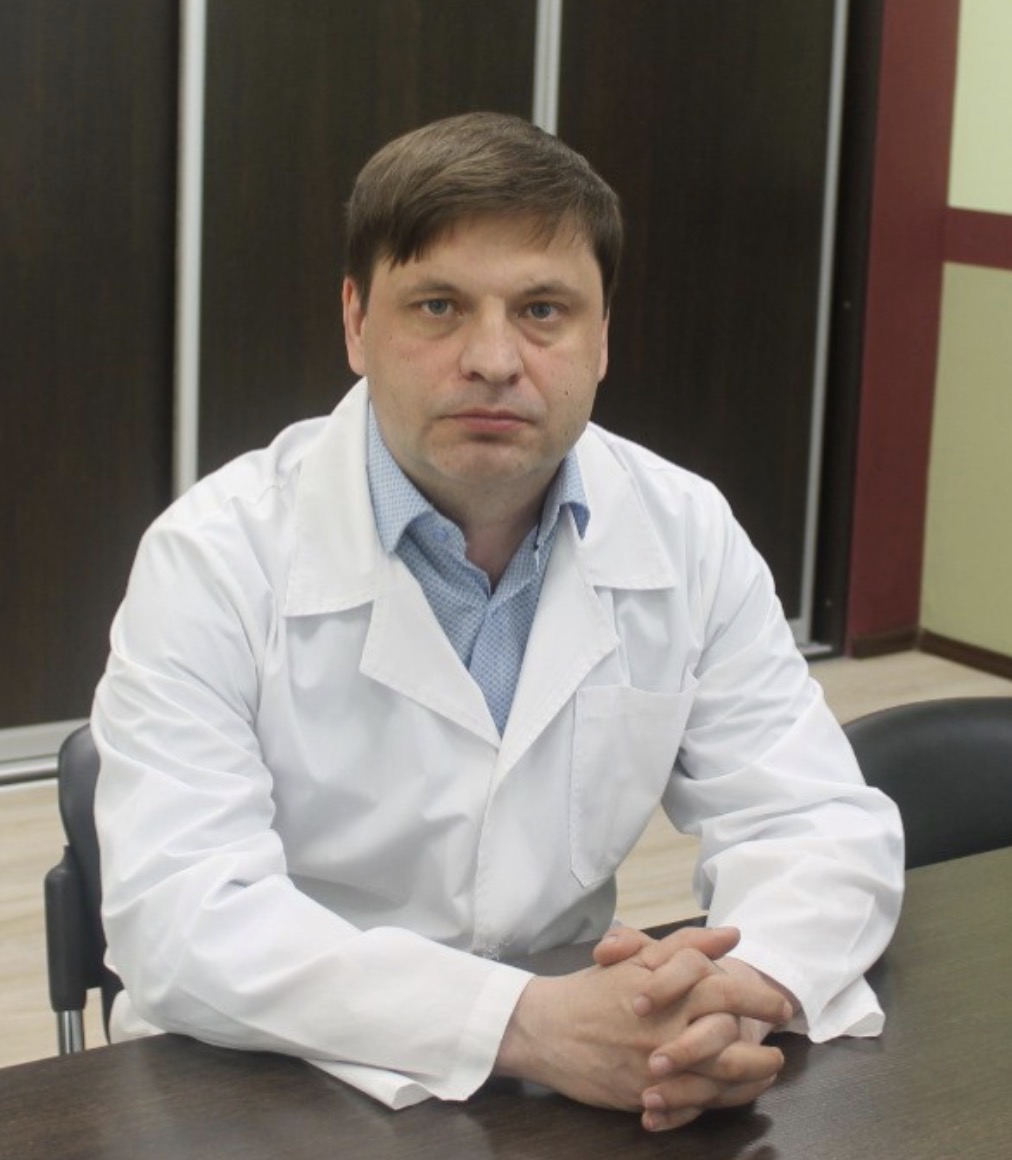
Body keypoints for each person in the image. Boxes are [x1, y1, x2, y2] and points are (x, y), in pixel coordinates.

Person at [92, 111, 904, 1133]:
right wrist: (524, 1022)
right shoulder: (214, 553)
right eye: (437, 306)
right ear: (355, 323)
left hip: (581, 1087)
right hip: (265, 1081)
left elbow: (813, 821)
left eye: (542, 310)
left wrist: (738, 995)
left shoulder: (683, 530)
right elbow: (182, 914)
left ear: (602, 337)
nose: (491, 358)